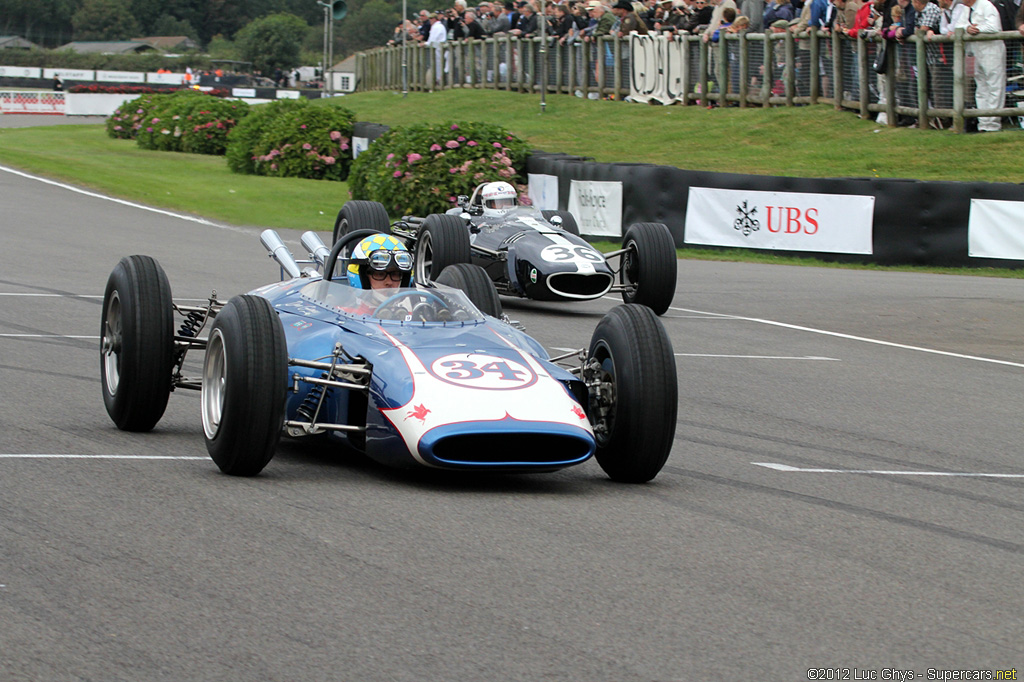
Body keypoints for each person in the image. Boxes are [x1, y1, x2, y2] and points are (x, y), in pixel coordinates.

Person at [955, 0, 1006, 131]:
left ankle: (993, 124)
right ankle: (983, 123)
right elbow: (958, 25)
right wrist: (967, 28)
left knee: (994, 86)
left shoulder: (986, 6)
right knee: (981, 87)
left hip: (991, 50)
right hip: (975, 52)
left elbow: (994, 27)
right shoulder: (965, 9)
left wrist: (977, 29)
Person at [347, 234, 414, 290]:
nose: (389, 282)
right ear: (362, 276)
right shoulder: (341, 305)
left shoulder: (418, 305)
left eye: (395, 274)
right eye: (380, 274)